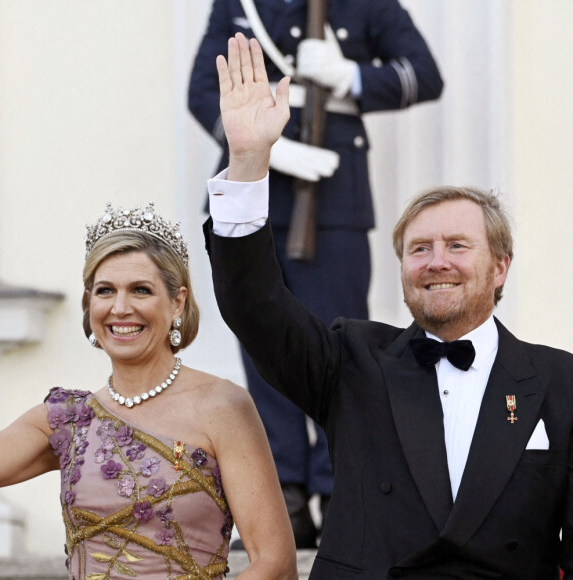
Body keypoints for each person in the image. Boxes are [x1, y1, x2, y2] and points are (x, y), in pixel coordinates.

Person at [203, 34, 573, 578]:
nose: (436, 261)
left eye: (457, 245)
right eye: (419, 249)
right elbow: (254, 305)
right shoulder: (350, 360)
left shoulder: (559, 379)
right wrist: (249, 159)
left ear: (500, 267)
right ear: (402, 270)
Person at [189, 0, 443, 546]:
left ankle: (340, 487)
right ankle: (285, 492)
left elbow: (424, 75)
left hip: (336, 201)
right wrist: (270, 154)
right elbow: (202, 91)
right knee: (263, 345)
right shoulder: (241, 4)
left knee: (343, 346)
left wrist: (349, 74)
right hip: (260, 189)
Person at [0, 201, 297, 580]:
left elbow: (276, 562)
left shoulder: (222, 406)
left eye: (140, 290)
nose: (120, 308)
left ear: (177, 303)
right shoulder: (66, 421)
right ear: (90, 305)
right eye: (105, 291)